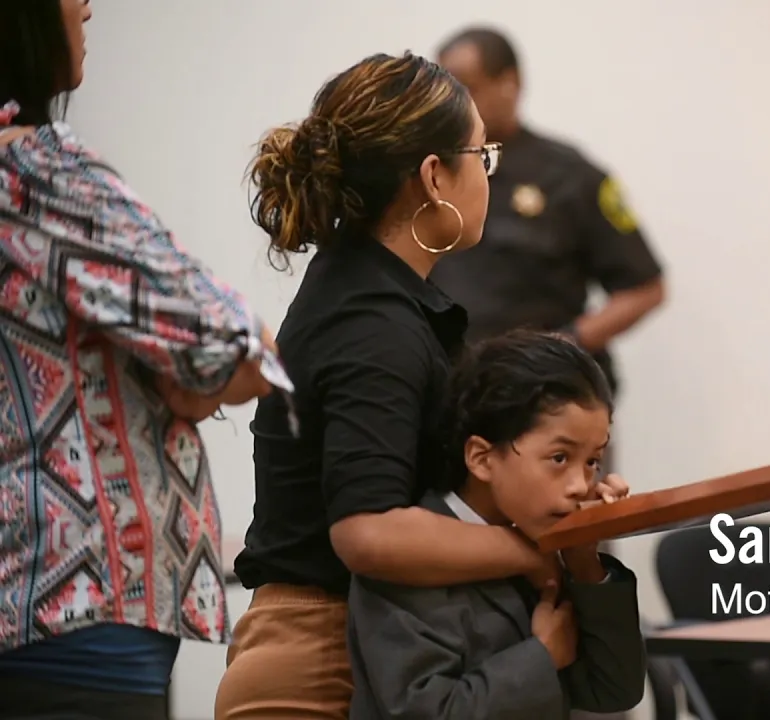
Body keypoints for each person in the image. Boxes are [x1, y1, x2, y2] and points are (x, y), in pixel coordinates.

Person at [215, 52, 600, 720]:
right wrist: (525, 551)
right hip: (321, 667)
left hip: (371, 648)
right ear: (434, 176)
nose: (489, 175)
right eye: (482, 156)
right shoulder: (372, 324)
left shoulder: (377, 297)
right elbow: (368, 532)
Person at [0, 1, 287, 718]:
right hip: (72, 634)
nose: (86, 5)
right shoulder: (32, 168)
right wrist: (190, 381)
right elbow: (232, 345)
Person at [346, 330, 644, 720]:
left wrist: (585, 561)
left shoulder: (540, 540)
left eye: (592, 461)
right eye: (559, 458)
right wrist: (542, 656)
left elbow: (614, 689)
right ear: (482, 458)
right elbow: (422, 712)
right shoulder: (407, 558)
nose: (580, 485)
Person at [434, 27, 665, 410]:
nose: (453, 105)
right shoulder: (431, 174)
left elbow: (645, 288)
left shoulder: (570, 176)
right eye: (444, 91)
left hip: (544, 400)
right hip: (450, 395)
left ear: (510, 83)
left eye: (467, 88)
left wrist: (566, 343)